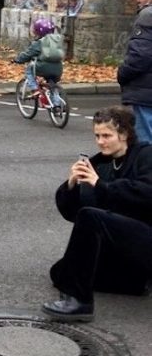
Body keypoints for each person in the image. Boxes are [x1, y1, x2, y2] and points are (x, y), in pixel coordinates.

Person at [42, 106, 152, 322]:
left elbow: (146, 193)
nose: (101, 141)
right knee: (60, 273)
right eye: (97, 136)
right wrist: (72, 185)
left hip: (146, 237)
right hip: (123, 245)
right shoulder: (101, 163)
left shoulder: (146, 154)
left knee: (91, 217)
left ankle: (80, 302)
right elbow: (72, 213)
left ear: (124, 134)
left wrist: (101, 185)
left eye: (107, 135)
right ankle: (136, 283)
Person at [118, 0, 152, 145]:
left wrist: (122, 73)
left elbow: (140, 56)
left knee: (145, 146)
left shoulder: (147, 16)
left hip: (145, 93)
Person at [12, 17, 64, 97]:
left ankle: (35, 89)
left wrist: (17, 60)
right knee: (52, 86)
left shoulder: (39, 43)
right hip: (58, 68)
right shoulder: (57, 41)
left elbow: (27, 55)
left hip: (43, 67)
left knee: (29, 70)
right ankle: (57, 105)